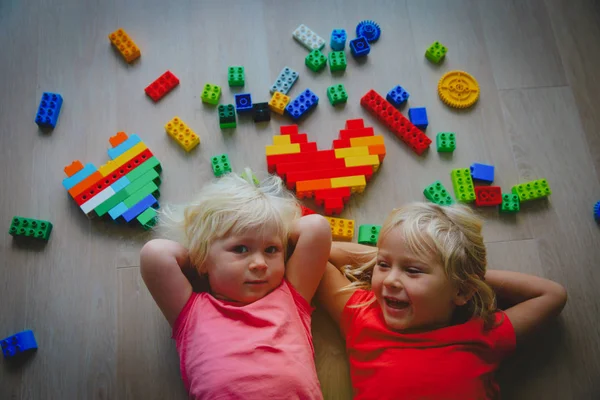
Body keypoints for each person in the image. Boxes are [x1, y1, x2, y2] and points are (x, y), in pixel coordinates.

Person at [317, 202, 567, 399]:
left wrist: (465, 274)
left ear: (461, 291)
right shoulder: (363, 317)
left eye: (413, 270)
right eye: (384, 265)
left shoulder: (481, 334)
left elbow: (551, 295)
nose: (391, 280)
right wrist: (392, 257)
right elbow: (316, 253)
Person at [140, 172, 331, 399]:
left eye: (271, 250)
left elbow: (316, 227)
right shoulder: (192, 312)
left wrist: (272, 229)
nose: (260, 264)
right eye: (241, 249)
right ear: (203, 259)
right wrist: (204, 258)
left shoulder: (290, 296)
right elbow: (155, 254)